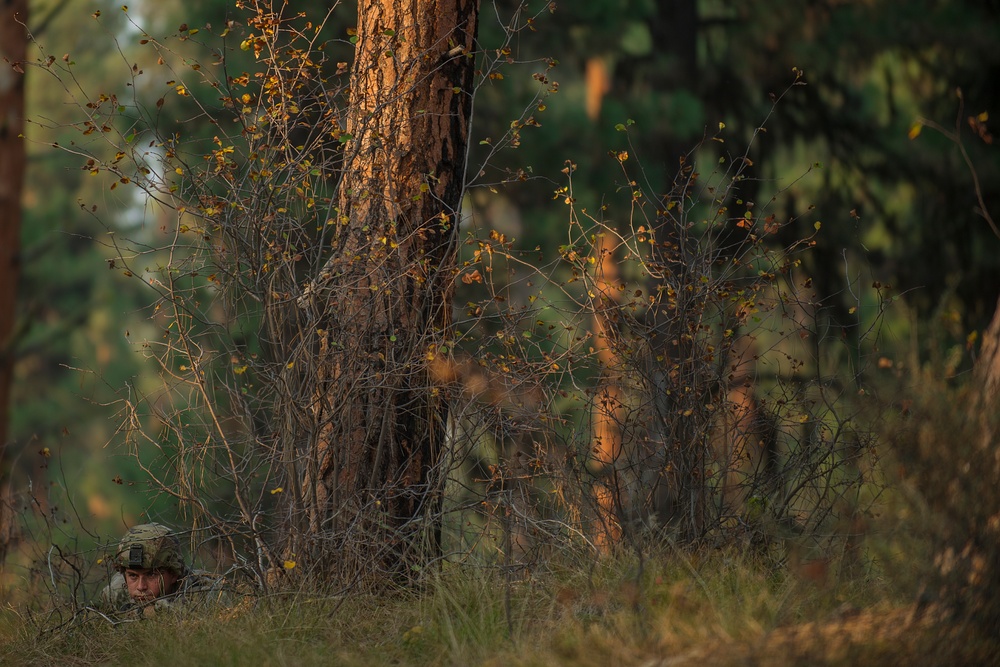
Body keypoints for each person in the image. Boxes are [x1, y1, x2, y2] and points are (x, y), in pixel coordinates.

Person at [98, 523, 230, 615]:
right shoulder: (115, 593)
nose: (141, 587)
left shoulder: (207, 594)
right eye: (133, 576)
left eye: (151, 575)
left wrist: (150, 613)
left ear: (173, 574)